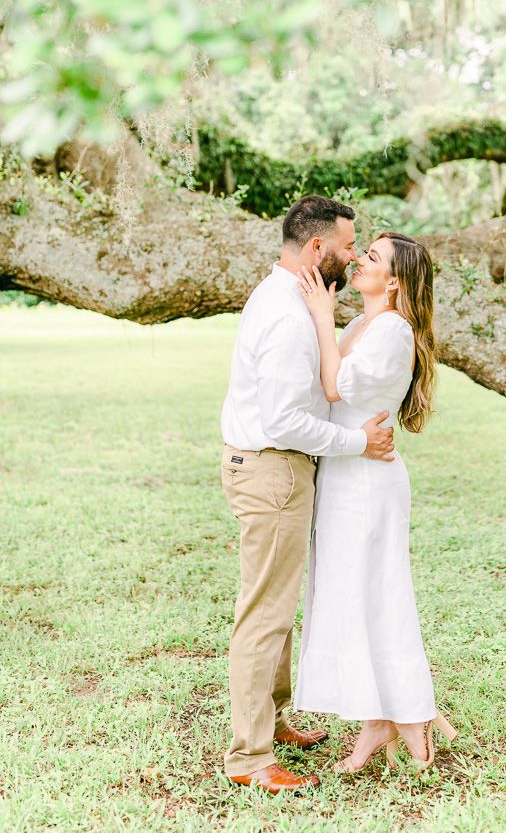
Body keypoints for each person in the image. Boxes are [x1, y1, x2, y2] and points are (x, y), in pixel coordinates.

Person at [219, 195, 396, 795]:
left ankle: (275, 718)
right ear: (317, 248)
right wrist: (356, 441)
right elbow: (285, 419)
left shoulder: (294, 299)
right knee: (264, 614)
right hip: (273, 469)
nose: (353, 256)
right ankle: (249, 757)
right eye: (348, 246)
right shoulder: (286, 313)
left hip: (280, 470)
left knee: (278, 608)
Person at [293, 231, 457, 772]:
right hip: (346, 472)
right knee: (354, 597)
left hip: (368, 482)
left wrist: (320, 311)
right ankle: (378, 718)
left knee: (378, 594)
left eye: (373, 257)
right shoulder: (365, 323)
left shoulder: (391, 329)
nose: (359, 259)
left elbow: (335, 387)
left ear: (393, 281)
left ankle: (406, 711)